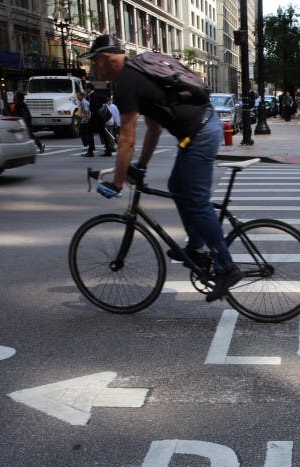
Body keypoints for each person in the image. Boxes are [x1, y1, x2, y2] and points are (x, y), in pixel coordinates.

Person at [82, 34, 242, 302]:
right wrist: (141, 167)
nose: (94, 68)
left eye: (95, 62)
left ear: (107, 58)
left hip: (200, 135)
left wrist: (118, 182)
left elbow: (127, 138)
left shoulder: (126, 83)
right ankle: (195, 246)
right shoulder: (137, 72)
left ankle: (226, 267)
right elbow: (154, 128)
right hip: (198, 132)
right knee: (177, 187)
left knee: (198, 202)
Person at [86, 83, 115, 156]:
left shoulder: (92, 96)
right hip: (100, 117)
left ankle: (91, 151)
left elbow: (93, 108)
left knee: (89, 132)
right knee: (103, 133)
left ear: (89, 88)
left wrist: (91, 111)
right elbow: (105, 100)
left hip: (95, 117)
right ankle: (108, 150)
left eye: (86, 88)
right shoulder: (98, 94)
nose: (86, 90)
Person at [77, 90, 94, 156]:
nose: (77, 97)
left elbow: (87, 111)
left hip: (86, 120)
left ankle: (87, 145)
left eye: (78, 95)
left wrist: (87, 120)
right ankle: (87, 145)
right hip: (85, 119)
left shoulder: (83, 102)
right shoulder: (82, 102)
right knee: (83, 133)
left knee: (82, 133)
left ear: (82, 96)